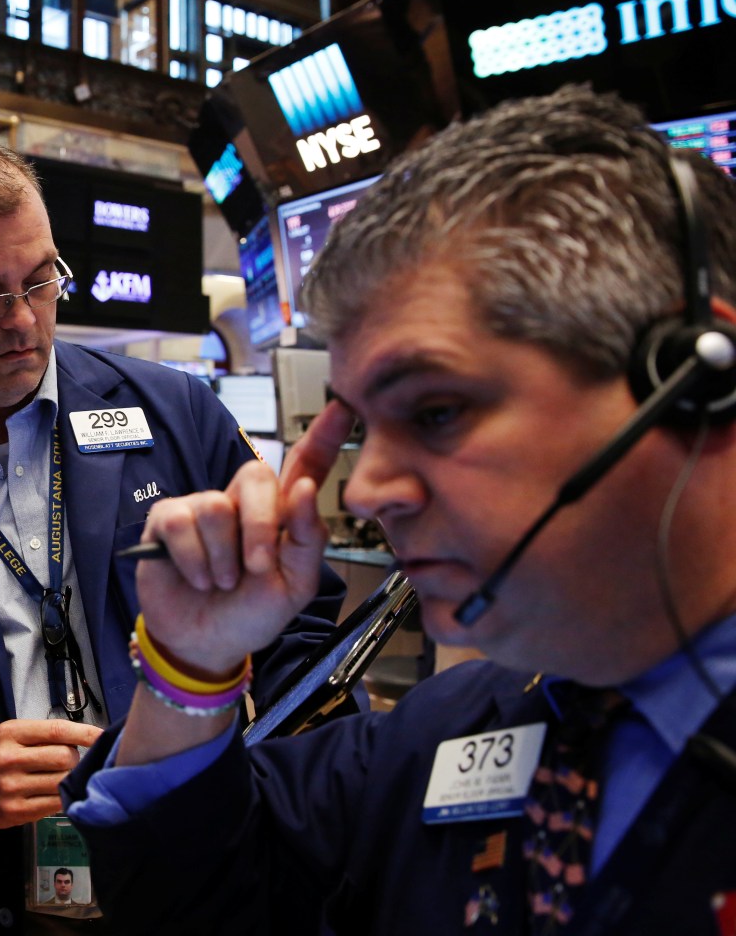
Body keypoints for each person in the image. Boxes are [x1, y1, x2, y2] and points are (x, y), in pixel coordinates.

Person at [61, 86, 736, 935]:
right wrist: (191, 666)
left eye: (435, 411)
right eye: (360, 427)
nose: (370, 490)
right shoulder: (447, 730)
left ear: (696, 380)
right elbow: (198, 900)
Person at [0, 132, 346, 934]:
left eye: (41, 281)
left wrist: (244, 775)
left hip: (188, 881)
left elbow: (304, 632)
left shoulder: (177, 416)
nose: (22, 321)